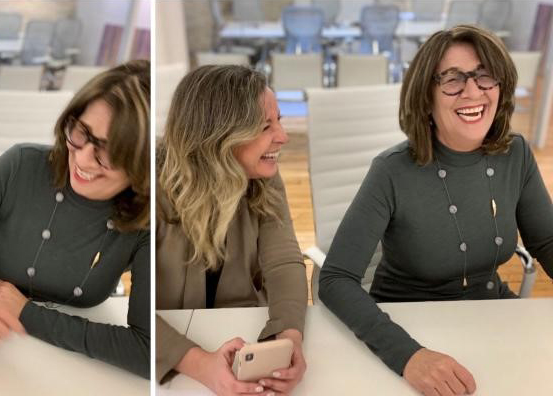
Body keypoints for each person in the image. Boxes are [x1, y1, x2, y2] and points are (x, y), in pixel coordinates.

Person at [319, 25, 553, 396]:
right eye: (452, 80)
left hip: (492, 317)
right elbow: (335, 280)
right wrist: (409, 356)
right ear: (426, 95)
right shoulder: (391, 171)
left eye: (484, 76)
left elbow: (548, 241)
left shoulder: (516, 153)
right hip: (410, 326)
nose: (473, 91)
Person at [0, 60, 150, 378]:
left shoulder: (146, 220)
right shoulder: (22, 165)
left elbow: (146, 351)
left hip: (69, 357)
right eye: (81, 133)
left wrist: (26, 313)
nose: (82, 158)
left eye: (106, 152)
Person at [156, 65, 308, 395]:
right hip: (167, 353)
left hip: (243, 333)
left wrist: (288, 337)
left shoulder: (264, 177)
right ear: (220, 136)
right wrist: (198, 364)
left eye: (279, 120)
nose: (282, 136)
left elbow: (283, 263)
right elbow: (137, 306)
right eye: (266, 126)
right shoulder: (149, 185)